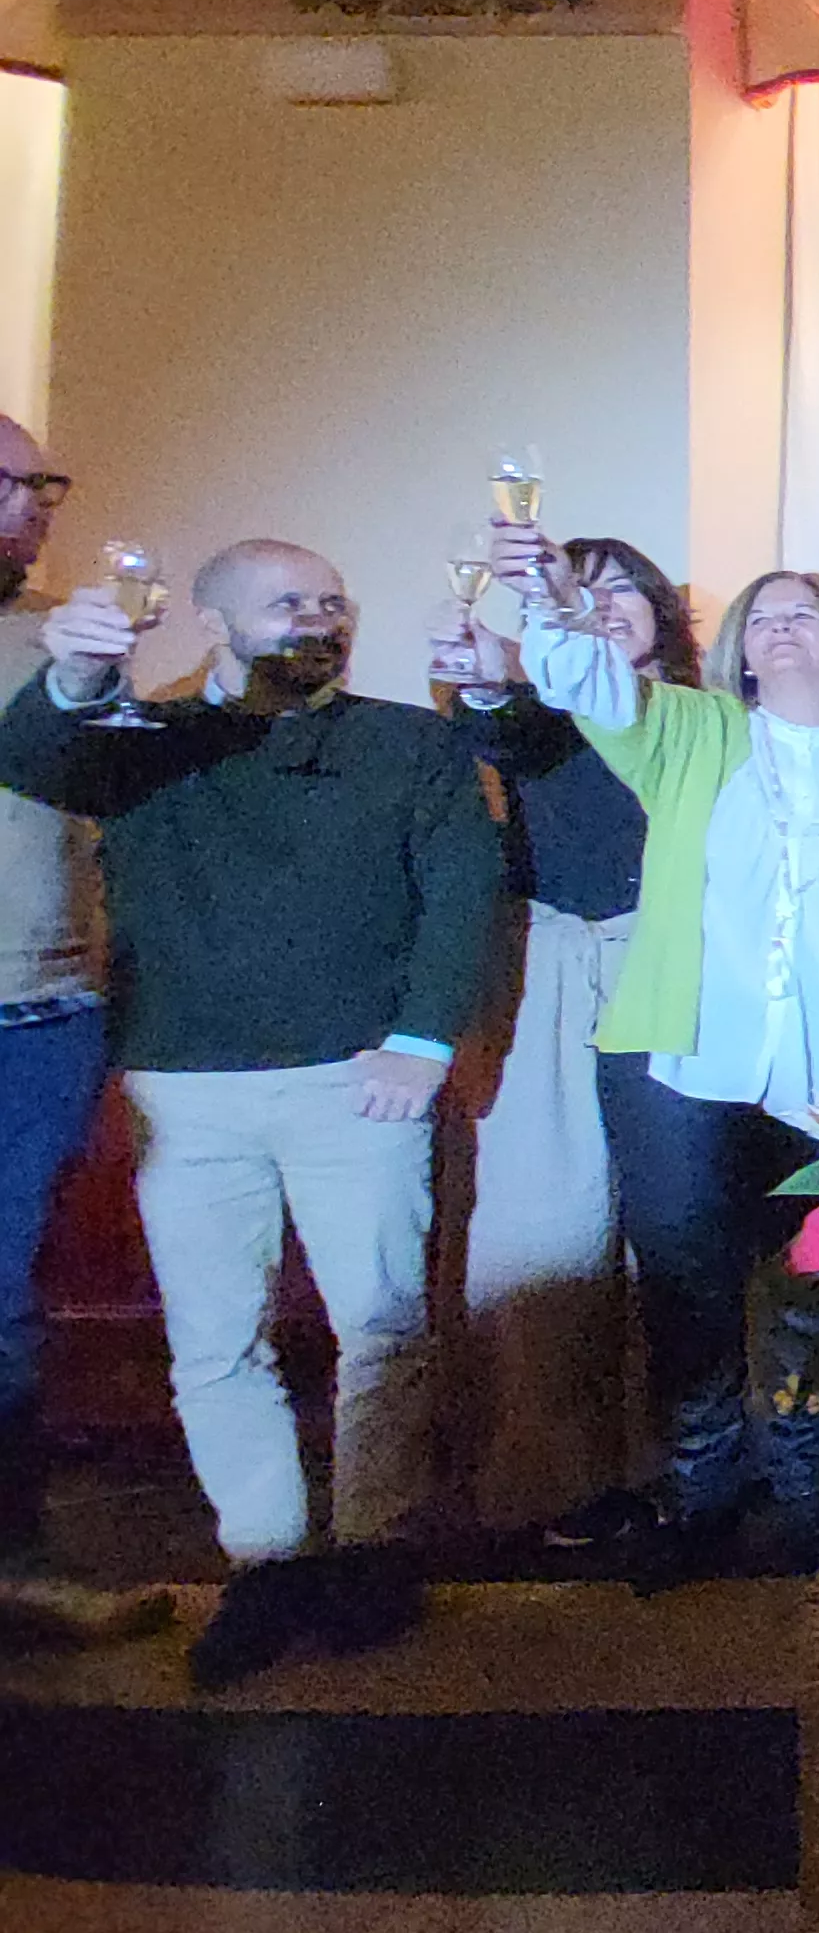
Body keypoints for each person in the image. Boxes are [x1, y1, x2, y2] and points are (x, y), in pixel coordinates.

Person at [0, 539, 501, 1687]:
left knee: (382, 1328)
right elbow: (31, 753)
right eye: (285, 604)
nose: (316, 617)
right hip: (187, 1085)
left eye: (332, 599)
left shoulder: (408, 742)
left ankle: (372, 1551)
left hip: (359, 1080)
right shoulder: (148, 737)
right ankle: (267, 1561)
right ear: (217, 622)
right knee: (216, 1343)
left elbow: (459, 890)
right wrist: (78, 677)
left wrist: (422, 1042)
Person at [497, 524, 819, 1586]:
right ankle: (702, 1485)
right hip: (685, 1058)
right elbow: (583, 678)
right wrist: (552, 605)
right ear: (740, 651)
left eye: (807, 611)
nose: (783, 626)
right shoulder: (693, 731)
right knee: (688, 1279)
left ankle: (810, 1486)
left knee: (817, 1278)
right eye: (764, 615)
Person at [433, 537, 690, 1536]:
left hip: (681, 960)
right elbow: (496, 726)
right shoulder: (539, 713)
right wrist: (507, 659)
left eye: (625, 588)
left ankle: (683, 1464)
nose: (608, 605)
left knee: (677, 1229)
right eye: (585, 594)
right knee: (548, 1219)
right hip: (551, 962)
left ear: (662, 609)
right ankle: (558, 1478)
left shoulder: (705, 716)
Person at [0, 413, 104, 1576]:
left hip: (42, 1014)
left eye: (46, 485)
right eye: (15, 485)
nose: (37, 507)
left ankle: (15, 1579)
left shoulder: (56, 641)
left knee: (4, 1289)